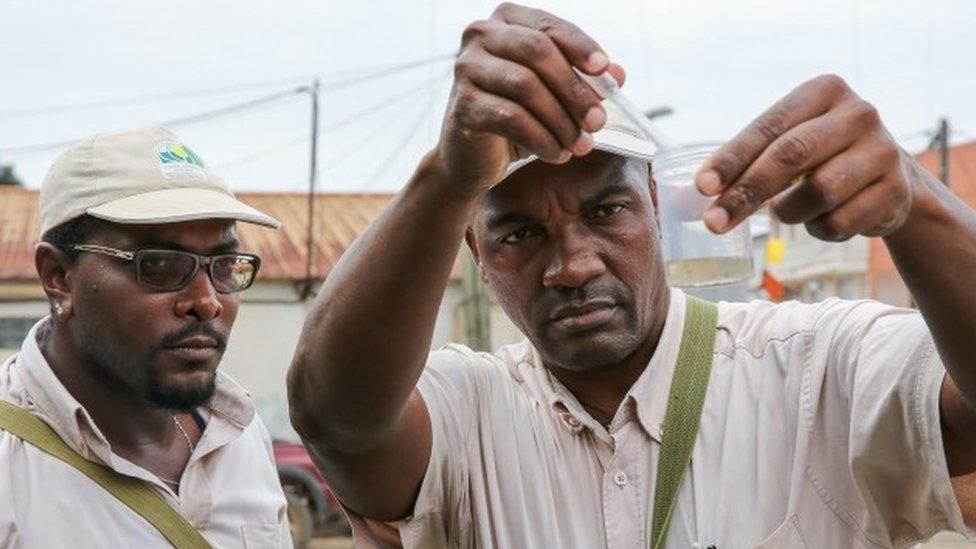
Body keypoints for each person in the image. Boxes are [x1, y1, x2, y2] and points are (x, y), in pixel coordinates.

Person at [287, 4, 976, 547]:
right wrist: (450, 173)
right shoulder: (469, 411)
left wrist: (916, 207)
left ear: (653, 204)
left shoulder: (815, 372)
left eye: (606, 209)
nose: (573, 264)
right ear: (476, 252)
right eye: (521, 233)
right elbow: (333, 417)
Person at [0, 127, 292, 547]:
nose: (206, 301)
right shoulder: (12, 471)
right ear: (59, 277)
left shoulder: (239, 434)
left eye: (225, 264)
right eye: (158, 265)